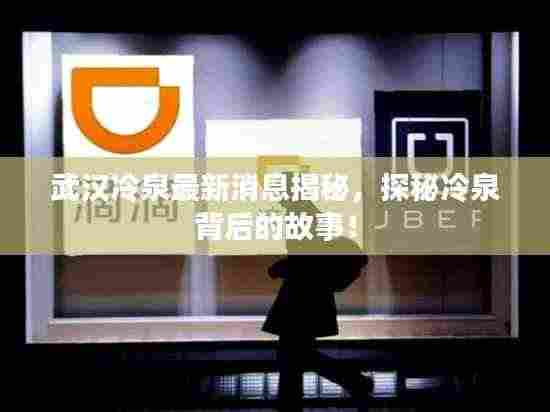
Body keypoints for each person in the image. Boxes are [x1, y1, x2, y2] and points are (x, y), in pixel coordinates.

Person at [262, 191, 373, 407]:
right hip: (309, 297)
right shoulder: (306, 213)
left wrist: (281, 267)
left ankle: (354, 381)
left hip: (302, 299)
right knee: (296, 354)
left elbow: (307, 261)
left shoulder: (302, 216)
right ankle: (351, 382)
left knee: (294, 355)